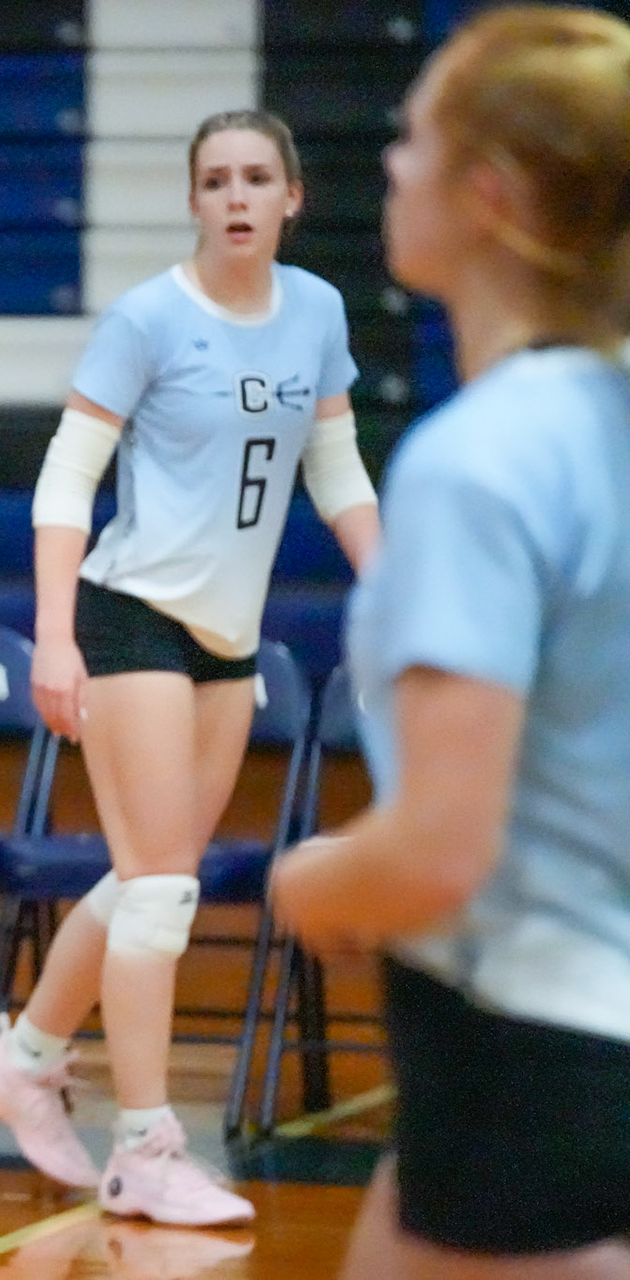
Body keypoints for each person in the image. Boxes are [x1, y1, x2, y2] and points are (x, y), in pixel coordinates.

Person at [0, 108, 382, 1226]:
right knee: (160, 894)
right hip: (129, 616)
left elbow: (335, 464)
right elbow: (66, 480)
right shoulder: (149, 318)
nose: (237, 197)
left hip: (226, 639)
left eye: (257, 178)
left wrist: (389, 581)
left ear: (293, 197)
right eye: (217, 180)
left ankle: (23, 1057)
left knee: (148, 877)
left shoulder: (318, 312)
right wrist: (55, 634)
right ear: (194, 201)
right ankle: (144, 1148)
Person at [270, 7, 630, 1277]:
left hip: (528, 1034)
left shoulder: (482, 460)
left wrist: (313, 881)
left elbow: (438, 851)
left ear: (491, 196)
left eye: (417, 136)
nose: (391, 162)